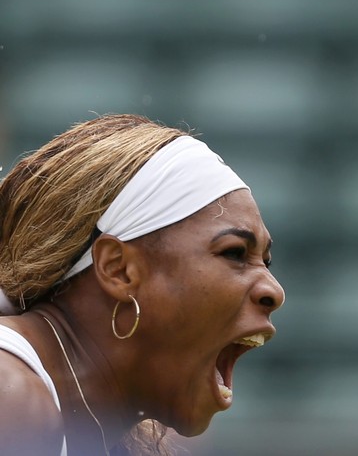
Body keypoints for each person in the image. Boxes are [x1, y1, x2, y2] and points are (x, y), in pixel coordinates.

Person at [0, 114, 285, 455]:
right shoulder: (11, 396)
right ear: (118, 269)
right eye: (235, 253)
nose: (274, 291)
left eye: (265, 262)